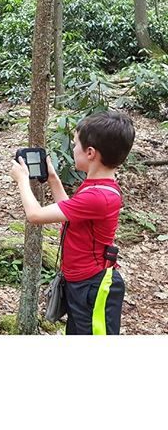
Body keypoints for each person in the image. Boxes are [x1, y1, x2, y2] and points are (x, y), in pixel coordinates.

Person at [10, 110, 135, 335]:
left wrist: (21, 180)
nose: (72, 149)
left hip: (94, 288)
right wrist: (53, 179)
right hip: (81, 284)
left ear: (90, 153)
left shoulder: (99, 196)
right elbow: (71, 212)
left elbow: (35, 215)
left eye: (75, 144)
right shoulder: (95, 186)